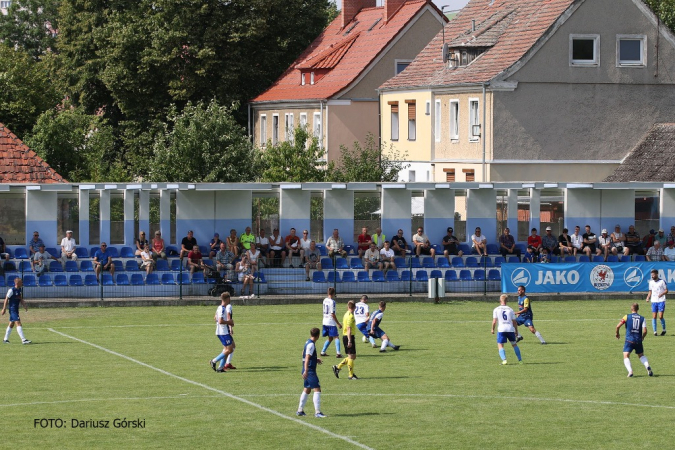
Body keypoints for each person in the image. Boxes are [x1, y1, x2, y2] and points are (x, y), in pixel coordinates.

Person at [615, 303, 653, 377]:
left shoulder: (627, 316)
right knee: (641, 355)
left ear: (631, 309)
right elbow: (645, 331)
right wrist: (642, 337)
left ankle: (630, 371)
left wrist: (617, 334)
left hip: (629, 340)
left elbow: (617, 326)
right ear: (638, 309)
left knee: (626, 355)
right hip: (638, 340)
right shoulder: (642, 318)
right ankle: (647, 365)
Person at [296, 327, 326, 418]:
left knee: (307, 389)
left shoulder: (307, 342)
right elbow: (307, 357)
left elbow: (303, 353)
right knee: (317, 389)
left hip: (308, 370)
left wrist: (315, 359)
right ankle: (317, 412)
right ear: (318, 336)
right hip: (310, 371)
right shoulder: (311, 345)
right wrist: (306, 370)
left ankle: (300, 410)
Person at [491, 294, 522, 365]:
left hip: (501, 329)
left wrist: (492, 329)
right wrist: (516, 331)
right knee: (514, 344)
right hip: (510, 329)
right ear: (507, 301)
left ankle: (504, 360)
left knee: (500, 345)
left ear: (500, 300)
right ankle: (520, 360)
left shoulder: (496, 309)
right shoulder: (510, 309)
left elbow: (494, 321)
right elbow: (514, 322)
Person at [209, 292, 235, 373]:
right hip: (223, 332)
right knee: (229, 350)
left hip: (223, 331)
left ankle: (220, 367)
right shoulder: (223, 309)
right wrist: (229, 322)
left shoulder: (219, 307)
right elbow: (220, 321)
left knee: (231, 347)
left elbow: (215, 318)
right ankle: (214, 361)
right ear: (228, 299)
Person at [333, 300, 358, 380]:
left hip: (346, 336)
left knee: (353, 356)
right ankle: (351, 375)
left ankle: (337, 367)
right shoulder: (350, 316)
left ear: (348, 306)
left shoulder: (346, 314)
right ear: (354, 307)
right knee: (351, 357)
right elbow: (348, 329)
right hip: (348, 337)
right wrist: (350, 340)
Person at [2, 278, 31, 344]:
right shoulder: (11, 290)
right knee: (18, 323)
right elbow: (6, 299)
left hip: (16, 309)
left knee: (11, 324)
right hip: (12, 309)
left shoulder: (19, 290)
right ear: (17, 283)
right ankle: (23, 340)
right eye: (21, 282)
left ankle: (5, 339)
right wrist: (4, 308)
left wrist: (24, 305)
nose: (22, 283)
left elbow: (20, 298)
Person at [320, 287, 342, 358]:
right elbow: (332, 314)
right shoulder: (332, 302)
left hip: (324, 321)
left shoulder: (324, 300)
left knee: (330, 338)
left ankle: (323, 352)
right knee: (336, 337)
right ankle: (338, 353)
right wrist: (338, 323)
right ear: (333, 293)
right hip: (331, 322)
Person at [646, 269, 667, 336]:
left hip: (661, 301)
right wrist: (648, 297)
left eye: (653, 274)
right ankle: (655, 332)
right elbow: (650, 291)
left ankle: (664, 330)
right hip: (654, 301)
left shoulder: (662, 282)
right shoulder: (651, 282)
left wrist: (661, 294)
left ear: (657, 274)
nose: (652, 276)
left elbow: (666, 290)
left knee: (660, 316)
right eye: (651, 275)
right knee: (654, 316)